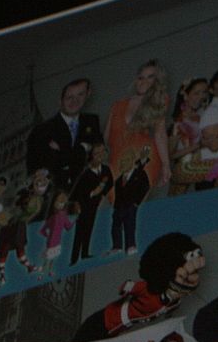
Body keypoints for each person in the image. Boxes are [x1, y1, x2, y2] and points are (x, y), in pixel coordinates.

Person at [73, 232, 204, 342]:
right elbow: (127, 287)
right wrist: (127, 288)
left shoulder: (173, 303)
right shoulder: (147, 289)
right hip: (102, 323)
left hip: (115, 333)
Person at [106, 59, 171, 197]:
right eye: (141, 77)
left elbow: (160, 134)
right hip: (117, 160)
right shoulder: (118, 105)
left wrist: (166, 165)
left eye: (150, 77)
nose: (144, 81)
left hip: (143, 158)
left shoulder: (159, 101)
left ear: (157, 81)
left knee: (132, 204)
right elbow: (106, 138)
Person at [26, 78, 103, 189]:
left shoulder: (92, 121)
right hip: (56, 194)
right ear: (60, 100)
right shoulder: (42, 131)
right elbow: (36, 169)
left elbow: (99, 155)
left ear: (88, 94)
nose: (74, 101)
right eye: (69, 97)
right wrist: (82, 149)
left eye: (80, 95)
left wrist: (62, 152)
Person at [69, 143, 113, 265]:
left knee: (89, 229)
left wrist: (102, 193)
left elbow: (110, 183)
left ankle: (84, 253)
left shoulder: (105, 170)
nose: (99, 156)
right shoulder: (85, 173)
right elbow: (77, 191)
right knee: (79, 232)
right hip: (84, 205)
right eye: (96, 153)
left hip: (94, 205)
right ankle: (74, 258)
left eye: (101, 152)